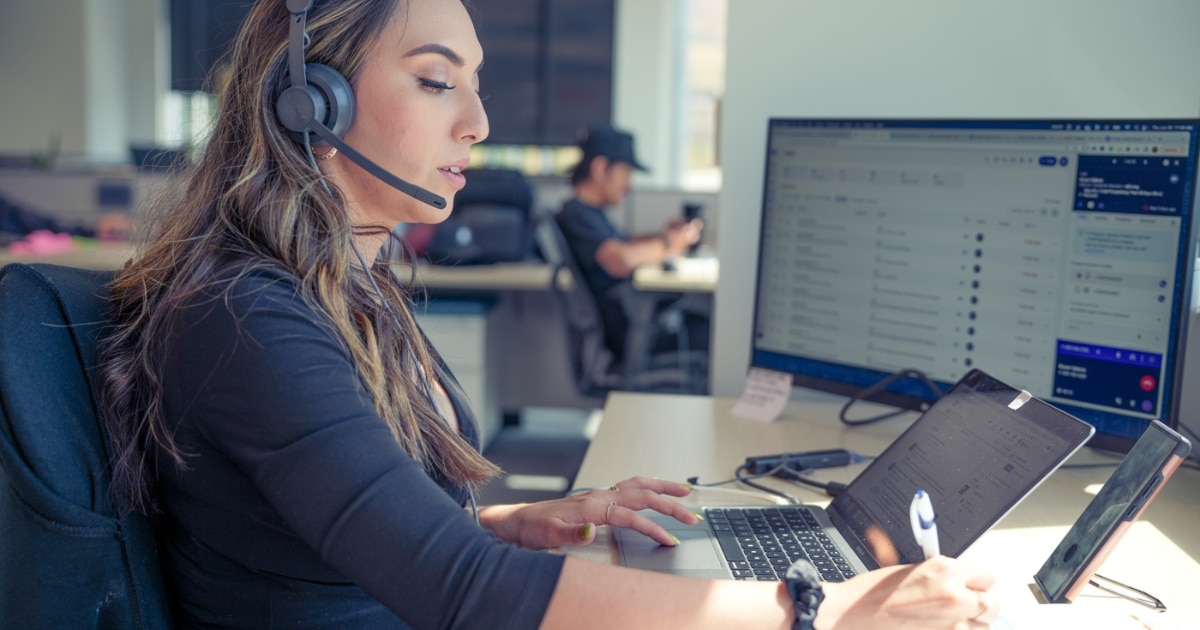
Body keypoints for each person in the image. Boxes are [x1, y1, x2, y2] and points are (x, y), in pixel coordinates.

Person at [96, 0, 1001, 628]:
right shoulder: (247, 318)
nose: (480, 121)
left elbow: (334, 534)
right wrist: (819, 609)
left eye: (476, 82)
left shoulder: (345, 287)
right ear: (312, 103)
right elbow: (465, 595)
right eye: (436, 81)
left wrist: (511, 519)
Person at [556, 125, 710, 367]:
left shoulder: (591, 214)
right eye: (625, 173)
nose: (629, 185)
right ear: (599, 168)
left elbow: (624, 245)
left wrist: (666, 238)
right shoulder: (577, 215)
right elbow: (620, 260)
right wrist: (667, 242)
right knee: (707, 331)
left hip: (632, 331)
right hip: (629, 338)